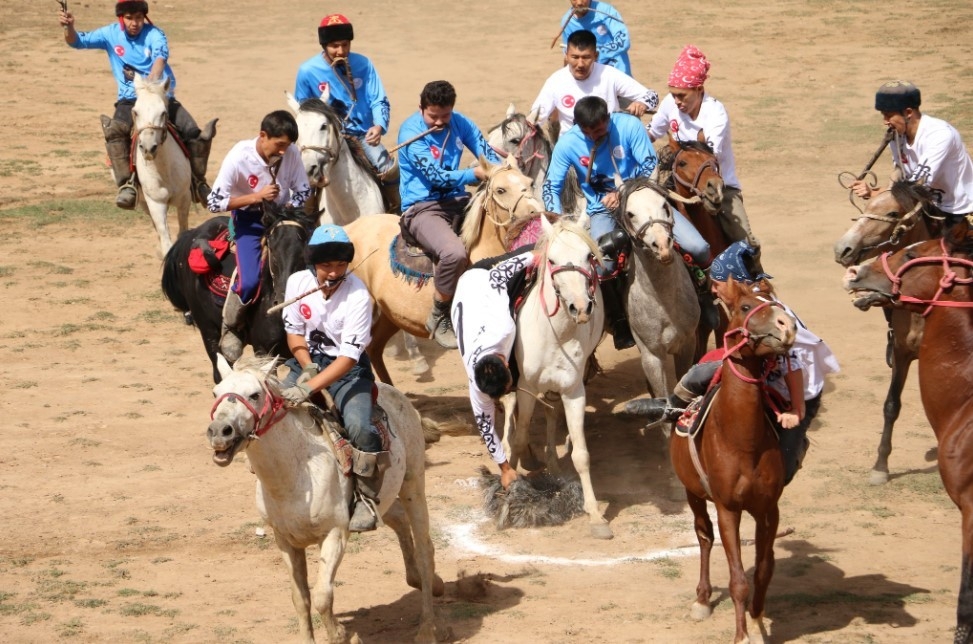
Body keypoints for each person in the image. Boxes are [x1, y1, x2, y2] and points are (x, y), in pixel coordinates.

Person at [622, 241, 840, 485]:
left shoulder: (762, 310)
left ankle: (798, 444)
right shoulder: (748, 300)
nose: (714, 291)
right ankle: (672, 407)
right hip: (767, 372)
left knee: (783, 471)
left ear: (733, 282)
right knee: (707, 371)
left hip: (797, 391)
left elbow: (792, 364)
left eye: (717, 284)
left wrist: (797, 410)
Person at [543, 96, 710, 350]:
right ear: (578, 127)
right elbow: (551, 185)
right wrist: (555, 218)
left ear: (608, 119)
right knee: (602, 267)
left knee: (698, 246)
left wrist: (622, 193)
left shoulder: (629, 126)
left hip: (644, 200)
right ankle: (619, 320)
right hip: (602, 210)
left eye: (600, 131)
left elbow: (649, 164)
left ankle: (705, 299)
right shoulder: (567, 144)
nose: (594, 137)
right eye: (588, 133)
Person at [278, 224, 386, 532]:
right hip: (308, 362)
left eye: (341, 265)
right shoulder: (297, 282)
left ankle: (366, 497)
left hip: (347, 370)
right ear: (313, 263)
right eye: (327, 265)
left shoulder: (359, 296)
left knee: (359, 426)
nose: (335, 272)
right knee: (273, 411)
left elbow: (349, 357)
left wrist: (310, 387)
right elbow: (294, 333)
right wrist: (308, 367)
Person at [58, 1, 214, 210]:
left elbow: (160, 58)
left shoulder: (155, 34)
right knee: (115, 132)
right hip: (130, 98)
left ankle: (199, 182)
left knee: (194, 132)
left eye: (139, 18)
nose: (135, 23)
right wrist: (69, 27)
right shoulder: (110, 34)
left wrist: (152, 82)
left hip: (159, 96)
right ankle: (127, 185)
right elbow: (77, 42)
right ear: (121, 19)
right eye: (129, 18)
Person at [398, 80, 502, 349]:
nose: (439, 122)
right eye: (433, 116)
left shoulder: (460, 122)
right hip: (423, 207)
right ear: (421, 108)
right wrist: (474, 173)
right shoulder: (410, 133)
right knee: (454, 253)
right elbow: (436, 177)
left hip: (458, 200)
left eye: (445, 116)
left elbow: (486, 153)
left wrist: (501, 169)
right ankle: (439, 313)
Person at [207, 110, 311, 362]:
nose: (284, 151)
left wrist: (289, 209)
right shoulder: (239, 157)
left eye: (288, 146)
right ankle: (232, 327)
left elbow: (303, 190)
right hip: (249, 220)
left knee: (318, 264)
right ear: (263, 135)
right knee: (250, 281)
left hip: (285, 218)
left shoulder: (291, 153)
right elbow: (214, 202)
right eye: (279, 145)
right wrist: (256, 197)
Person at [648, 45, 759, 250]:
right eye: (673, 95)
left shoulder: (715, 112)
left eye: (682, 95)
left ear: (699, 90)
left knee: (746, 244)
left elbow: (710, 153)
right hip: (680, 184)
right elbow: (651, 133)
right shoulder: (670, 103)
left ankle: (754, 271)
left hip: (718, 186)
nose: (677, 101)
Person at [451, 246, 542, 490]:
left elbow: (499, 274)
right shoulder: (476, 384)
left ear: (505, 363)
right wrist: (504, 467)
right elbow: (486, 427)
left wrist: (533, 256)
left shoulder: (502, 326)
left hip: (481, 275)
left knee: (537, 248)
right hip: (469, 299)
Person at [293, 13, 399, 212]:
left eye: (345, 44)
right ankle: (305, 219)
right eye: (334, 46)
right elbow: (304, 111)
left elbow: (378, 99)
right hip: (326, 137)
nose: (341, 51)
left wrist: (379, 126)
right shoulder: (307, 71)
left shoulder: (364, 64)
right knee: (305, 174)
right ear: (324, 45)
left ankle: (396, 213)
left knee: (390, 170)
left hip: (363, 134)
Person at [851, 80, 973, 221]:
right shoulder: (897, 137)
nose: (885, 121)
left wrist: (875, 195)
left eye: (889, 115)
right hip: (930, 209)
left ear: (908, 112)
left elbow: (917, 186)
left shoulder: (940, 135)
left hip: (963, 211)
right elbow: (900, 179)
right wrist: (873, 191)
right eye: (883, 115)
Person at [532, 30, 658, 133]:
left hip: (608, 143)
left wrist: (642, 103)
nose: (580, 64)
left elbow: (652, 96)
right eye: (575, 57)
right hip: (571, 148)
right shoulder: (555, 81)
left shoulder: (610, 74)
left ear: (596, 56)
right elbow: (535, 117)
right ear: (566, 55)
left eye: (586, 57)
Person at [558, 0, 632, 75]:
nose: (579, 3)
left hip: (618, 70)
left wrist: (597, 54)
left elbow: (624, 41)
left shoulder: (605, 11)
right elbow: (570, 54)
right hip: (590, 74)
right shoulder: (567, 22)